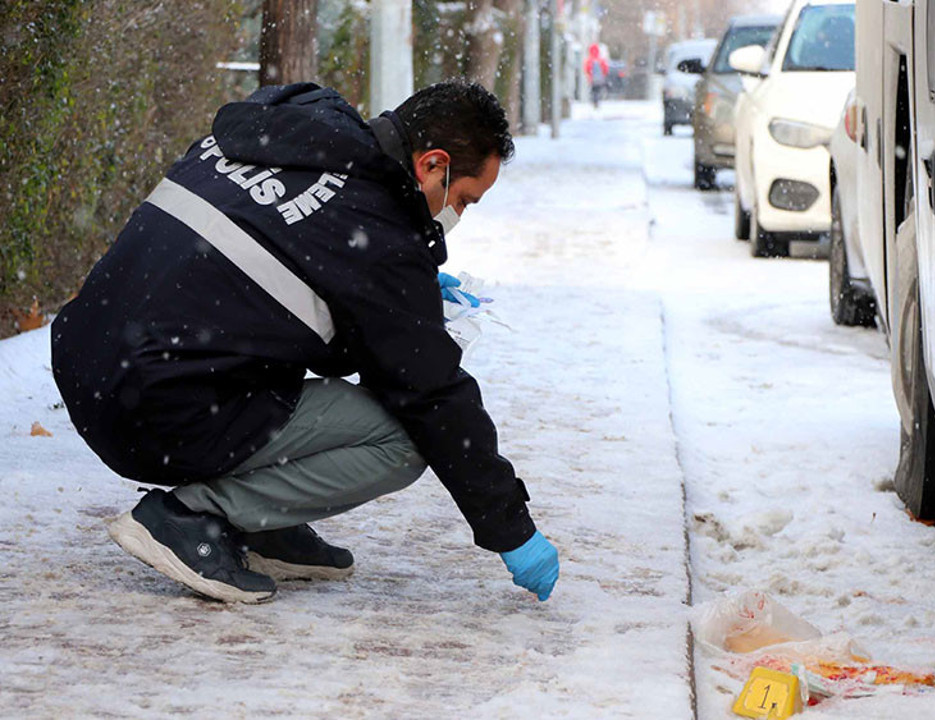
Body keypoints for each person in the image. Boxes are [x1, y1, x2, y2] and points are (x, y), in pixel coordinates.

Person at [50, 79, 560, 605]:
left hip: (89, 364)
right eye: (464, 200)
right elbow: (433, 395)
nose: (457, 214)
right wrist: (512, 530)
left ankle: (264, 522)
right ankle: (195, 517)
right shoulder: (376, 229)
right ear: (433, 164)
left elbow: (286, 298)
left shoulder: (303, 130)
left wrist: (397, 301)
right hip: (151, 414)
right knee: (404, 440)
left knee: (267, 348)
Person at [584, 44, 610, 109]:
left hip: (593, 79)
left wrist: (589, 76)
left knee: (594, 90)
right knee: (598, 90)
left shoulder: (589, 60)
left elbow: (587, 69)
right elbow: (605, 69)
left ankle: (594, 101)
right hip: (600, 79)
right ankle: (597, 100)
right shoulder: (600, 59)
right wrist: (603, 74)